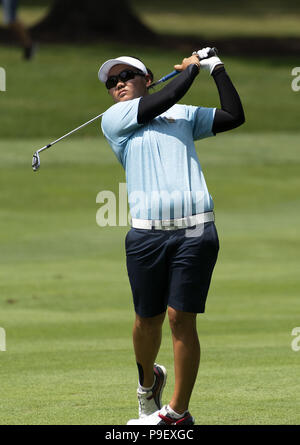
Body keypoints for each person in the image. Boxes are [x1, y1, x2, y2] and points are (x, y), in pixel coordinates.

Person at [98, 48, 245, 425]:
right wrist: (192, 71)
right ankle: (148, 382)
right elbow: (165, 98)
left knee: (181, 318)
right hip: (146, 236)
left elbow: (233, 115)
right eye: (112, 82)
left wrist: (216, 70)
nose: (117, 85)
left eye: (125, 76)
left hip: (196, 230)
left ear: (147, 79)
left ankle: (177, 412)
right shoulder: (115, 119)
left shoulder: (182, 114)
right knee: (147, 321)